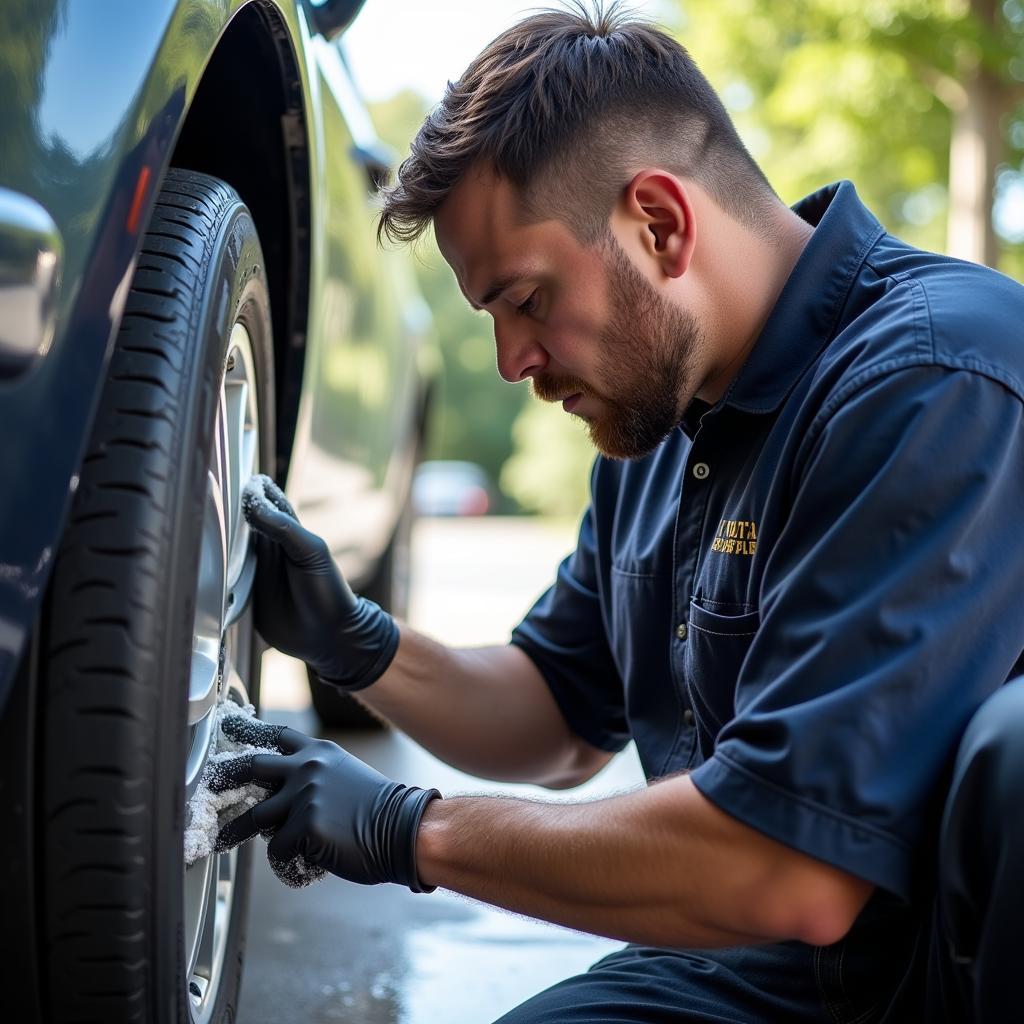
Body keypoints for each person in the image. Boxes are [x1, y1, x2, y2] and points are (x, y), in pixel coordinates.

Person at [217, 3, 1024, 1020]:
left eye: (526, 300)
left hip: (918, 983)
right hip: (734, 968)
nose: (512, 363)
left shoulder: (937, 380)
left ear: (660, 222)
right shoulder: (659, 419)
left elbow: (792, 868)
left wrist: (407, 827)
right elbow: (558, 718)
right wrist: (358, 646)